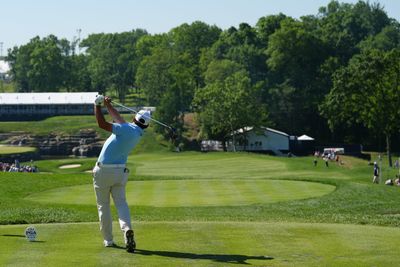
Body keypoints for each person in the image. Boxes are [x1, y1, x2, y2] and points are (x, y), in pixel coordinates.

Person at [92, 95, 151, 253]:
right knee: (121, 204)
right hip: (120, 172)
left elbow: (101, 123)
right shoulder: (137, 133)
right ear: (146, 125)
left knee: (103, 206)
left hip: (104, 171)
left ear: (134, 117)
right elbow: (119, 120)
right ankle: (127, 232)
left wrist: (97, 105)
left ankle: (109, 240)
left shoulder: (126, 129)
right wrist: (108, 106)